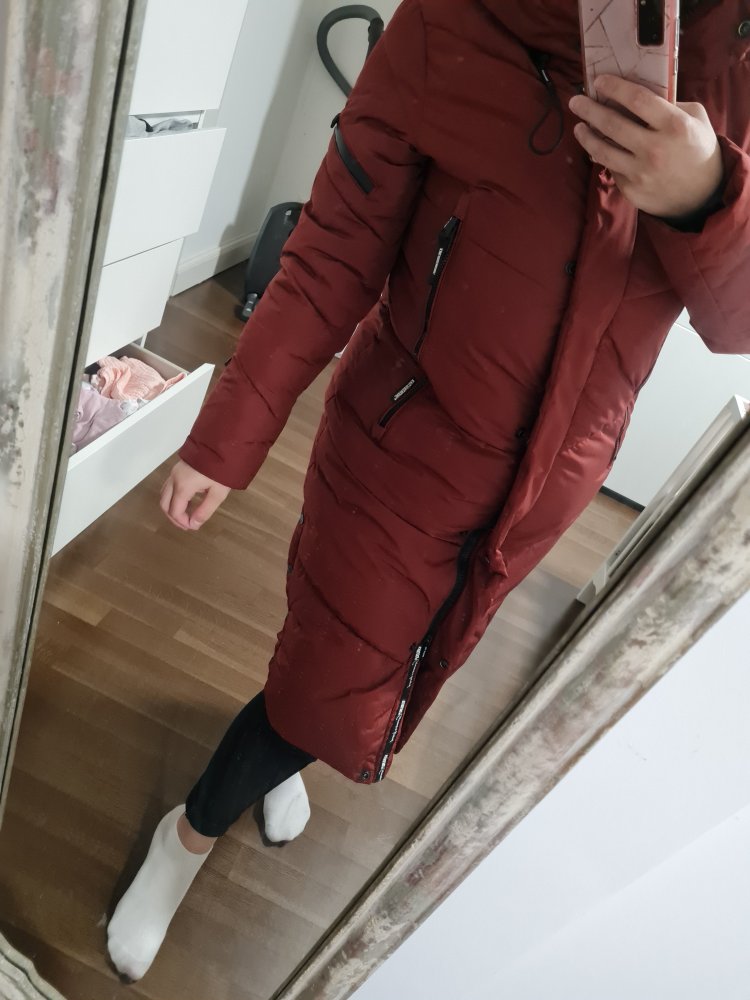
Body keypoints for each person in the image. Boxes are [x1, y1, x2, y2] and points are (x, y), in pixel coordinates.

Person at [107, 0, 750, 981]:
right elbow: (334, 248)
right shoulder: (455, 19)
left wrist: (710, 193)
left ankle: (292, 747)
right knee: (338, 671)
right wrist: (227, 438)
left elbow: (734, 321)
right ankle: (187, 833)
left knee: (365, 661)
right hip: (400, 445)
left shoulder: (735, 65)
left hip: (543, 493)